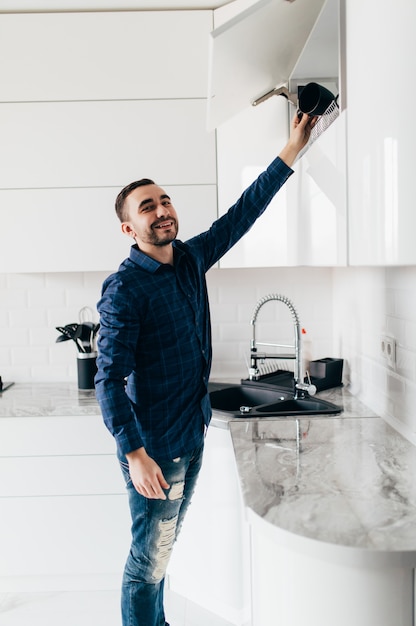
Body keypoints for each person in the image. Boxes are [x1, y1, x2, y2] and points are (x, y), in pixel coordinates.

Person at [94, 112, 315, 626]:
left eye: (164, 200)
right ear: (129, 227)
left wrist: (292, 148)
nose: (161, 210)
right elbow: (108, 379)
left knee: (161, 552)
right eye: (146, 207)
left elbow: (242, 214)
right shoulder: (125, 289)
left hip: (188, 434)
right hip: (155, 447)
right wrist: (134, 453)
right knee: (147, 562)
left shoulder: (190, 259)